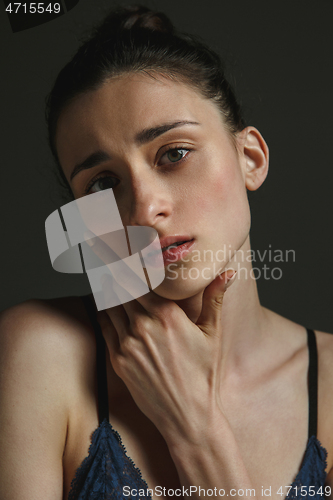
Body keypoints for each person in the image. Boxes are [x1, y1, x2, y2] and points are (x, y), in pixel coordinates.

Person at [0, 5, 332, 500]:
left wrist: (195, 430)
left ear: (251, 158)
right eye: (102, 185)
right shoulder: (40, 354)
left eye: (174, 154)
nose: (143, 209)